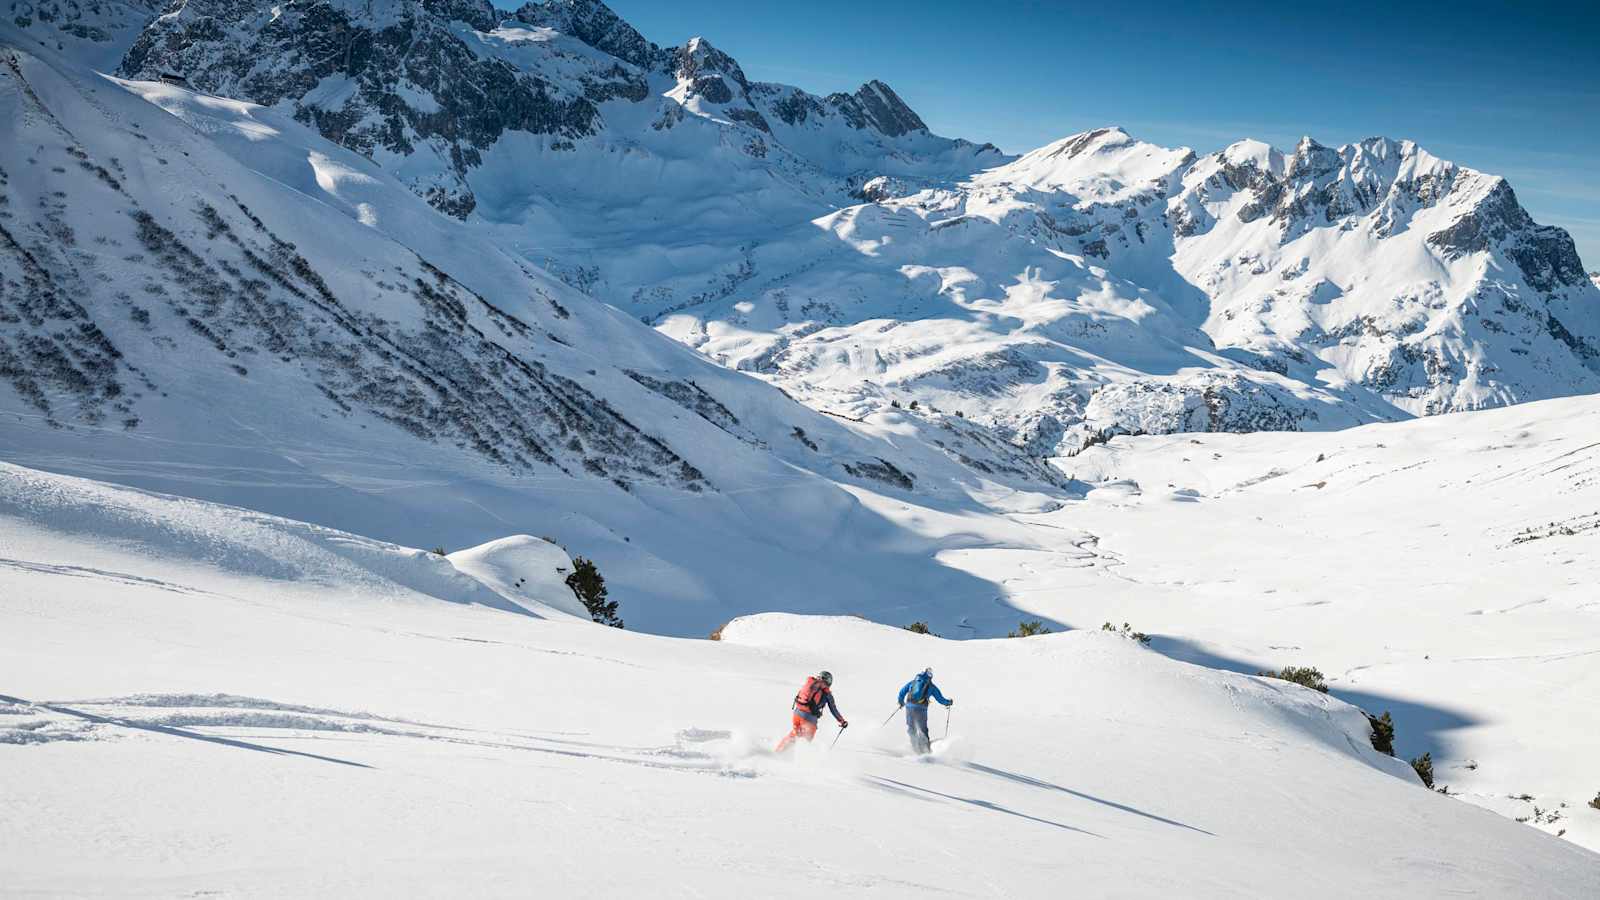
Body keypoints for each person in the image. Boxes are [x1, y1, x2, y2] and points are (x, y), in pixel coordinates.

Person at [775, 670, 847, 752]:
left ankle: (779, 751)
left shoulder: (811, 684)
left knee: (795, 734)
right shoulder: (826, 693)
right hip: (809, 719)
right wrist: (842, 721)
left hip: (797, 714)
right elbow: (833, 709)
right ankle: (798, 759)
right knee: (805, 741)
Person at [896, 667, 952, 754]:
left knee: (911, 728)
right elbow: (940, 699)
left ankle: (915, 748)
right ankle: (926, 750)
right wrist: (948, 702)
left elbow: (902, 692)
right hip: (921, 709)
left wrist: (901, 702)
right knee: (923, 729)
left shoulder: (913, 682)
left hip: (909, 707)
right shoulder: (931, 686)